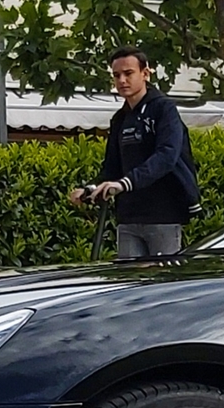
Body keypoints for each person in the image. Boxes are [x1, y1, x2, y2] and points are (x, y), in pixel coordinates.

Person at [72, 47, 197, 259]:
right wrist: (91, 188)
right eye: (116, 75)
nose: (122, 80)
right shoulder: (119, 119)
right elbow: (112, 167)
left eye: (128, 73)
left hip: (162, 216)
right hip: (128, 217)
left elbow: (167, 156)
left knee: (160, 285)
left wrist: (124, 183)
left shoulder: (164, 109)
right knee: (131, 285)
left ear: (145, 74)